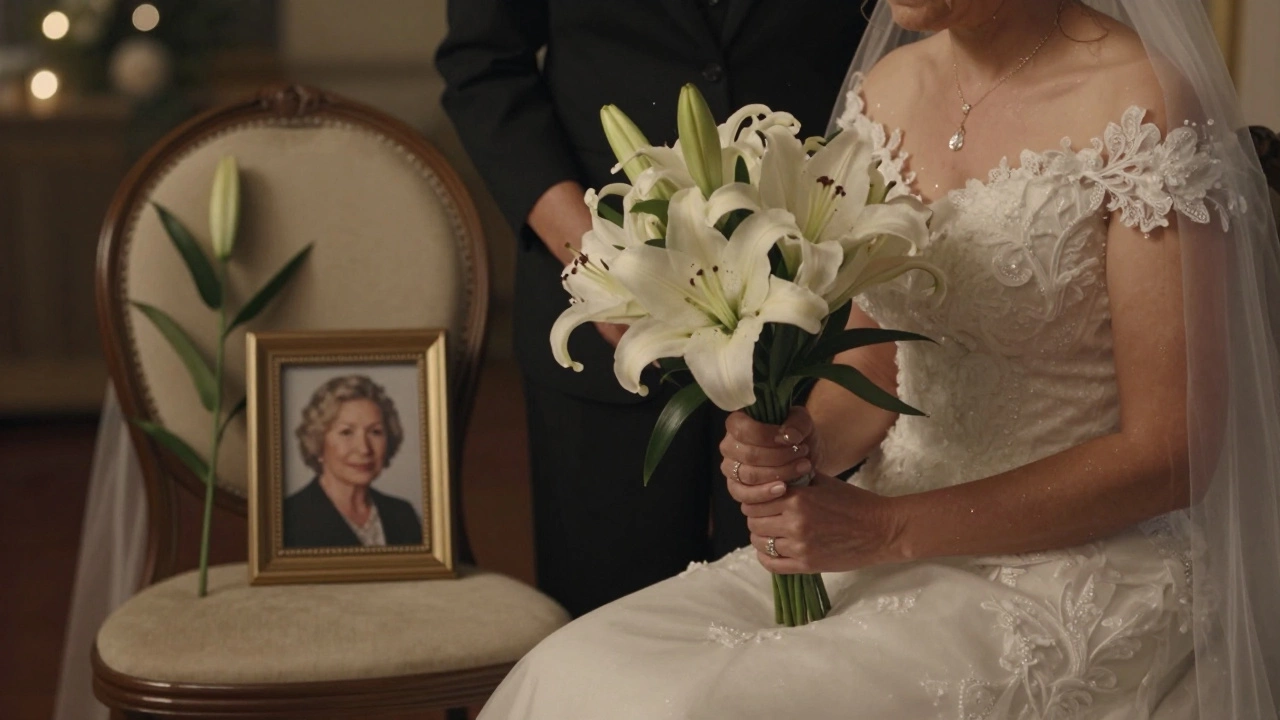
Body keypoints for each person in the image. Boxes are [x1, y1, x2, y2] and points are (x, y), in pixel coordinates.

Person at [475, 0, 1280, 718]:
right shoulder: (885, 92)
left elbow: (1170, 454)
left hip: (1073, 562)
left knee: (692, 707)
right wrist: (801, 446)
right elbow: (878, 371)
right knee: (574, 674)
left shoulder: (1142, 103)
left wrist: (886, 530)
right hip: (871, 531)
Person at [435, 0, 871, 617]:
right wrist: (599, 257)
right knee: (612, 626)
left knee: (799, 630)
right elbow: (480, 65)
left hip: (807, 302)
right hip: (603, 304)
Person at [283, 374, 423, 548]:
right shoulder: (288, 519)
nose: (364, 448)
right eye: (346, 432)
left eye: (375, 432)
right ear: (318, 442)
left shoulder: (403, 514)